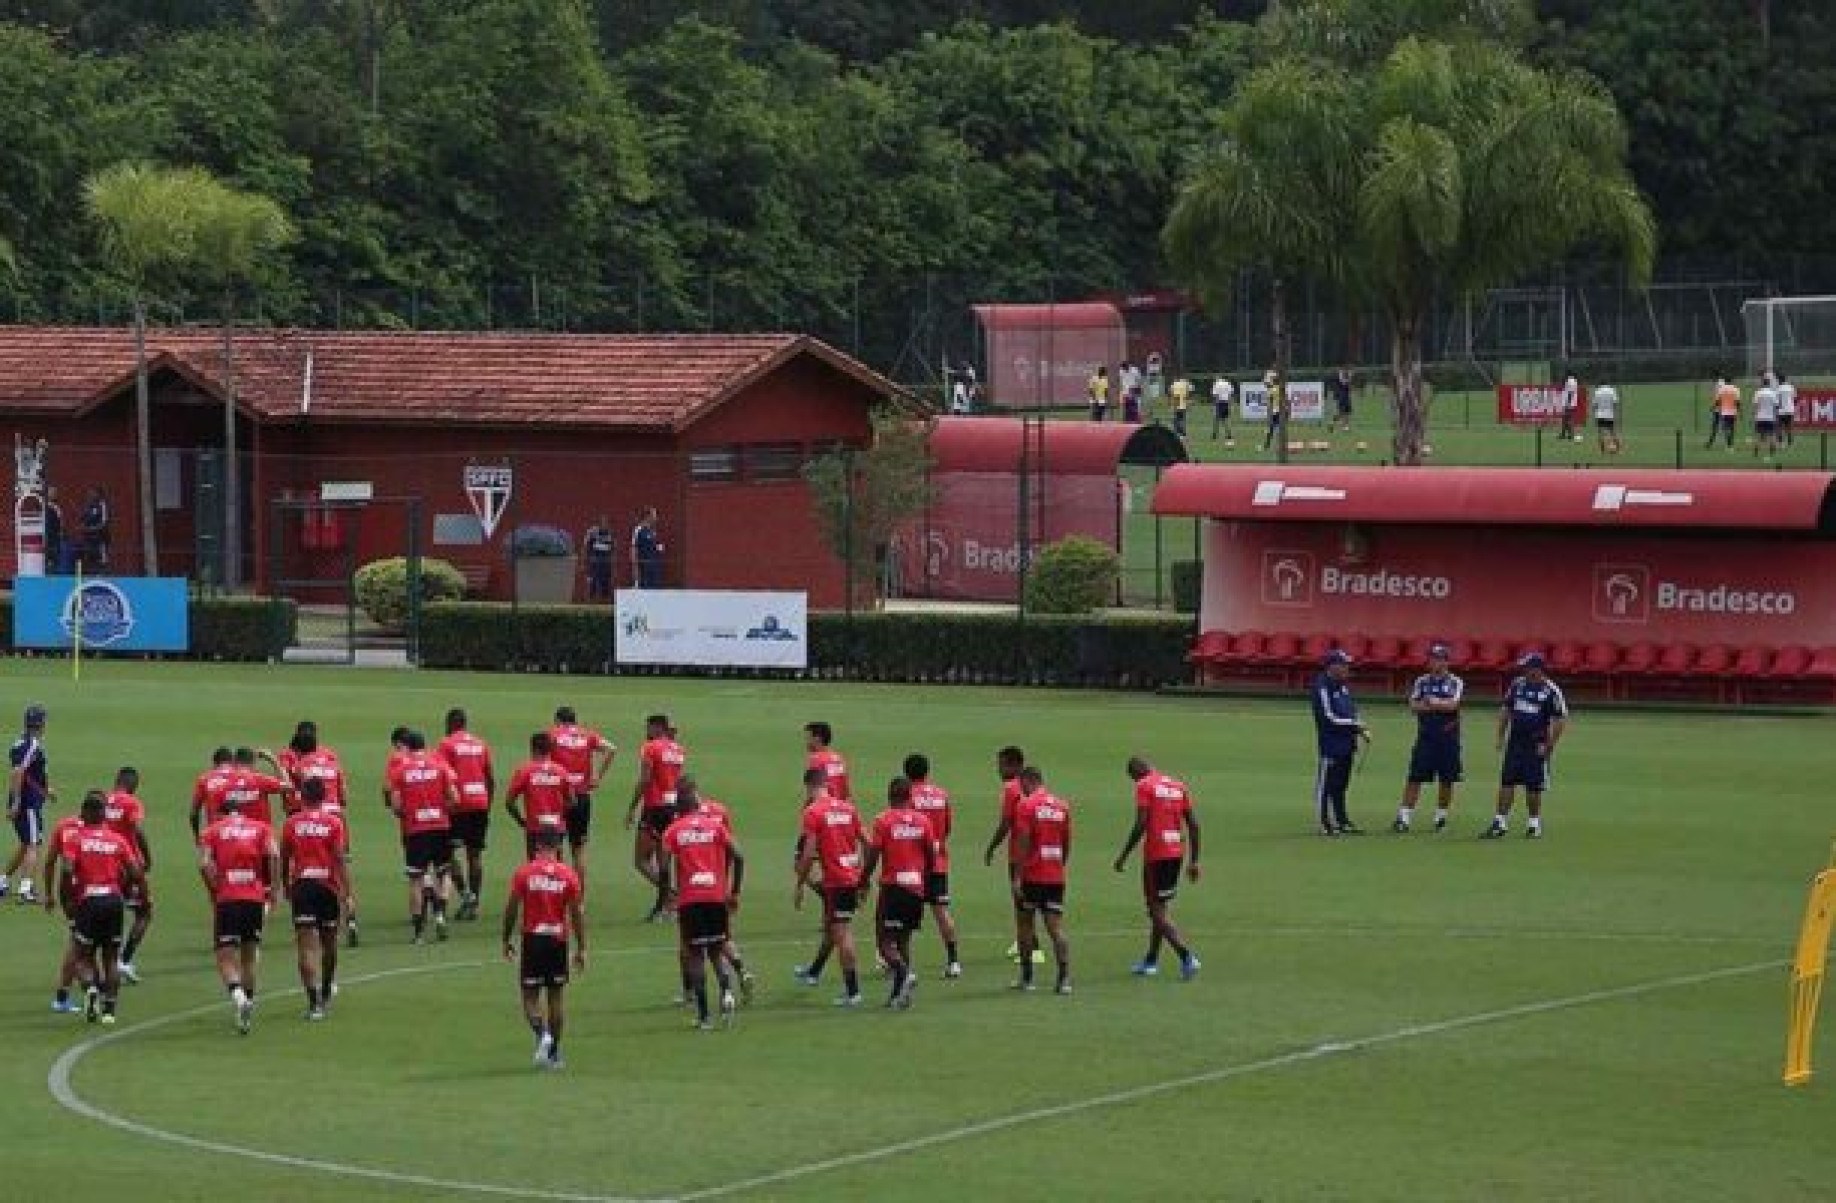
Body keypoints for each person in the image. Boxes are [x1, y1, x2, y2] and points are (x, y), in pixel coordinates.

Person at [50, 792, 144, 1025]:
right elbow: (136, 872)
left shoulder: (76, 840)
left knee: (83, 956)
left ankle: (91, 989)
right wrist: (132, 891)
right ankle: (109, 1011)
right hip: (113, 900)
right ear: (103, 816)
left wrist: (67, 901)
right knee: (111, 957)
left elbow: (67, 871)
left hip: (88, 901)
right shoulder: (117, 840)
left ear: (85, 813)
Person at [662, 782, 746, 1030]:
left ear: (680, 808)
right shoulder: (716, 827)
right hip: (716, 897)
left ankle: (704, 1016)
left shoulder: (673, 831)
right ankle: (728, 994)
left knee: (696, 957)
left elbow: (665, 866)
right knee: (717, 951)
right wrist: (735, 890)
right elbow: (739, 855)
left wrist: (667, 894)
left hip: (691, 900)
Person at [502, 832, 586, 1070]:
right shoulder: (568, 875)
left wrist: (506, 939)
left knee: (529, 996)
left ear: (537, 846)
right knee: (556, 997)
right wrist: (582, 947)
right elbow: (577, 913)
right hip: (558, 940)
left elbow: (511, 907)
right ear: (558, 846)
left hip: (533, 939)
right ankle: (555, 1053)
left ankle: (542, 1035)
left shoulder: (525, 873)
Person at [198, 789, 280, 1034]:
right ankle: (249, 1006)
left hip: (228, 897)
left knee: (225, 956)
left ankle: (238, 997)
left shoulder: (211, 831)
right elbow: (274, 855)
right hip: (254, 896)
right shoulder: (260, 828)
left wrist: (213, 888)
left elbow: (204, 864)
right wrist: (273, 889)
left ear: (221, 811)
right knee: (249, 954)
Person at [1113, 758, 1202, 980]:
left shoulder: (1144, 785)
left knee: (1156, 911)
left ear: (1137, 773)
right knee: (1161, 908)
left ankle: (1186, 956)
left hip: (1157, 855)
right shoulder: (1178, 786)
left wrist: (1124, 855)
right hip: (1176, 853)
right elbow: (1194, 824)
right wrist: (1194, 860)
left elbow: (1141, 823)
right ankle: (1151, 960)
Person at [674, 775, 755, 1004]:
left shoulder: (683, 817)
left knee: (690, 946)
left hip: (693, 888)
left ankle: (690, 992)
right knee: (720, 939)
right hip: (719, 882)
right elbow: (733, 848)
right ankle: (740, 970)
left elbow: (679, 855)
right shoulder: (719, 812)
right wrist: (731, 888)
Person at [860, 777, 937, 1010]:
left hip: (893, 887)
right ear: (909, 797)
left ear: (889, 796)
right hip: (915, 886)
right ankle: (898, 995)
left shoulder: (883, 820)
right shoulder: (923, 821)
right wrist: (925, 877)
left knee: (884, 942)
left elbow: (874, 853)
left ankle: (904, 973)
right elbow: (931, 855)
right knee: (904, 940)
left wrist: (863, 878)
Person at [792, 767, 866, 1005]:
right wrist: (863, 874)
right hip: (851, 877)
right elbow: (868, 842)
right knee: (834, 928)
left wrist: (800, 884)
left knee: (842, 934)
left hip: (836, 881)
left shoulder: (813, 812)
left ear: (809, 786)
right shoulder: (848, 808)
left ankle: (853, 992)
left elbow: (808, 853)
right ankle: (814, 972)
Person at [280, 777, 350, 1020]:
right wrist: (348, 892)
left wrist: (285, 885)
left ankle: (314, 1003)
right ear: (323, 797)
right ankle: (327, 988)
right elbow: (340, 858)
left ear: (302, 796)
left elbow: (284, 856)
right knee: (329, 943)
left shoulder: (291, 823)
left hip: (303, 886)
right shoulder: (334, 823)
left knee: (306, 945)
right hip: (327, 886)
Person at [1482, 652, 1569, 840]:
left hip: (1536, 743)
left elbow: (1560, 719)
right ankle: (1500, 822)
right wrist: (1500, 735)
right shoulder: (1517, 684)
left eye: (1528, 667)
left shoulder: (1551, 690)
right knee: (1507, 781)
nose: (1524, 670)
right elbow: (1506, 709)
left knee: (1533, 786)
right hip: (1515, 742)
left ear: (1537, 669)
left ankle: (1534, 824)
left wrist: (1550, 745)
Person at [386, 730, 460, 943]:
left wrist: (410, 812)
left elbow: (396, 806)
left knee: (416, 880)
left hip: (416, 830)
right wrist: (441, 810)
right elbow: (455, 798)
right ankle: (440, 914)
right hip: (440, 826)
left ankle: (418, 933)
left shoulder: (400, 771)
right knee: (443, 873)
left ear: (407, 748)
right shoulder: (440, 767)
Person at [1010, 766, 1072, 995]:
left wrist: (1017, 876)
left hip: (1032, 875)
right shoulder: (1062, 806)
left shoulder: (1026, 806)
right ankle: (1064, 979)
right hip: (1055, 874)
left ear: (1027, 781)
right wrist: (1059, 865)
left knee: (1025, 926)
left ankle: (1027, 979)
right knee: (1055, 928)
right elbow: (1066, 842)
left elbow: (1023, 841)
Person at [1394, 644, 1464, 833]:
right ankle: (1404, 817)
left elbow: (1453, 706)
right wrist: (1437, 705)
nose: (1435, 663)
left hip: (1448, 737)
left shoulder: (1455, 682)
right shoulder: (1422, 682)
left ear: (1446, 661)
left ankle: (1441, 817)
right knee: (1415, 776)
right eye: (1433, 659)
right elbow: (1413, 706)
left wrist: (1433, 702)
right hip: (1426, 736)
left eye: (1439, 659)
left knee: (1447, 779)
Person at [903, 754, 961, 978]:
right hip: (938, 862)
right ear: (927, 772)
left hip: (914, 864)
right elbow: (947, 828)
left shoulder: (908, 796)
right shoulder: (941, 794)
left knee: (906, 918)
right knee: (942, 913)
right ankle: (954, 961)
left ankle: (906, 967)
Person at [981, 744, 1039, 966]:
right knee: (1026, 901)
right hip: (1035, 852)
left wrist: (992, 846)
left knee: (1021, 902)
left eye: (1001, 765)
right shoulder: (1031, 786)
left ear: (1014, 765)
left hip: (1018, 853)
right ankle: (1022, 941)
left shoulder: (1012, 788)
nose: (998, 770)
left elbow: (1005, 823)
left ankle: (1032, 948)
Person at [436, 708, 495, 920]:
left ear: (451, 724)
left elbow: (444, 775)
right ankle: (475, 902)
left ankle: (466, 895)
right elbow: (490, 777)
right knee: (475, 854)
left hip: (458, 805)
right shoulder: (481, 744)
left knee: (448, 853)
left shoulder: (446, 744)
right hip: (480, 801)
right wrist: (487, 803)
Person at [627, 714, 686, 923]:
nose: (646, 730)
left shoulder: (650, 748)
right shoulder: (678, 750)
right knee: (663, 861)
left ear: (657, 727)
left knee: (641, 860)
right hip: (673, 808)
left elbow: (644, 780)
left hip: (654, 808)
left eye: (649, 727)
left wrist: (632, 807)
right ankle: (666, 905)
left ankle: (671, 897)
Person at [549, 706, 614, 890]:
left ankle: (557, 892)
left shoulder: (553, 735)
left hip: (559, 797)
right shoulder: (587, 735)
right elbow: (611, 749)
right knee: (578, 849)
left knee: (555, 847)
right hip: (582, 796)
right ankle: (579, 900)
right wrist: (597, 777)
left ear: (558, 720)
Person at [103, 767, 154, 983]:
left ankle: (106, 964)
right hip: (128, 866)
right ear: (133, 785)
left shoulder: (103, 800)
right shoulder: (131, 803)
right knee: (144, 912)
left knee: (109, 915)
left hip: (105, 863)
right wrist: (147, 857)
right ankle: (123, 961)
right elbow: (137, 830)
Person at [1311, 649, 1370, 836]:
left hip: (1346, 743)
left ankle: (1341, 820)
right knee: (1325, 784)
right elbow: (1327, 717)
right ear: (1332, 666)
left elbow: (1351, 709)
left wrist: (1359, 729)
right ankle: (1323, 823)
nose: (1347, 668)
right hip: (1331, 744)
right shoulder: (1322, 687)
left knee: (1341, 784)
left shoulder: (1343, 686)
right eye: (1343, 664)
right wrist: (1356, 725)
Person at [40, 807, 90, 1013]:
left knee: (80, 939)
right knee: (80, 943)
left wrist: (50, 894)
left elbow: (50, 861)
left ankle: (74, 991)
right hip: (89, 893)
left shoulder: (64, 825)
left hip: (67, 892)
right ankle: (73, 993)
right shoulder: (97, 829)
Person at [3, 704, 52, 904]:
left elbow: (30, 774)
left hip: (26, 798)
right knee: (33, 844)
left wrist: (46, 790)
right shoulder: (32, 745)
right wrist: (16, 802)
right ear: (39, 724)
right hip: (27, 803)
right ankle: (26, 888)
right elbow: (18, 772)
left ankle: (2, 881)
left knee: (25, 843)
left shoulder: (19, 743)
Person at [505, 732, 573, 853]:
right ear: (550, 749)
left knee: (535, 866)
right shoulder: (561, 771)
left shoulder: (525, 771)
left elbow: (509, 802)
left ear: (533, 748)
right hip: (557, 826)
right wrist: (560, 816)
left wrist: (521, 821)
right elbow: (572, 801)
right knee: (556, 864)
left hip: (534, 827)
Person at [224, 746, 295, 828]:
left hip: (235, 835)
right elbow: (289, 786)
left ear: (234, 761)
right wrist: (273, 760)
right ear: (252, 761)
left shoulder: (224, 782)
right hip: (260, 835)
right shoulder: (259, 779)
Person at [189, 746, 237, 838]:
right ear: (232, 762)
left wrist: (197, 836)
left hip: (215, 834)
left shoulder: (204, 779)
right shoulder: (243, 777)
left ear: (215, 762)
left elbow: (194, 813)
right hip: (242, 833)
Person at [803, 721, 851, 801]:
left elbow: (813, 790)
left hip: (824, 807)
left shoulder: (816, 759)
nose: (807, 742)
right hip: (839, 807)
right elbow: (845, 790)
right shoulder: (838, 759)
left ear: (817, 738)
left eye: (809, 738)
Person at [631, 507, 665, 589]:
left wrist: (659, 548)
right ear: (648, 517)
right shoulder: (638, 530)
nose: (656, 519)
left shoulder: (653, 532)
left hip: (655, 568)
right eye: (654, 516)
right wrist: (635, 569)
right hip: (644, 568)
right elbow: (634, 550)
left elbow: (654, 547)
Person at [583, 517, 616, 601]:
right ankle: (590, 602)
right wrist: (585, 561)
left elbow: (613, 549)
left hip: (606, 564)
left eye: (606, 523)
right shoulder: (592, 532)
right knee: (592, 584)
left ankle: (605, 603)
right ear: (599, 524)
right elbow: (585, 547)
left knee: (606, 585)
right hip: (594, 564)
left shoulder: (610, 534)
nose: (605, 525)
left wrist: (613, 565)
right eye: (603, 523)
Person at [79, 486, 110, 571]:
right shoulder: (88, 506)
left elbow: (104, 522)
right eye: (90, 493)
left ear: (98, 494)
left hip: (100, 537)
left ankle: (103, 571)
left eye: (93, 493)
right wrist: (83, 526)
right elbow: (83, 519)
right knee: (89, 558)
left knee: (101, 560)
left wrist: (93, 529)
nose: (91, 495)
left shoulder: (103, 505)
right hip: (89, 538)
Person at [1706, 376, 1739, 450]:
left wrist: (1713, 407)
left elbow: (1719, 400)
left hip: (1721, 410)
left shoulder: (1721, 386)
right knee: (1727, 427)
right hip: (1725, 410)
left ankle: (1713, 442)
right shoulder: (1729, 387)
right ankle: (1729, 443)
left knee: (1718, 427)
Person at [1754, 372, 1781, 460]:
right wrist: (1776, 416)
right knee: (1772, 436)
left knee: (1760, 436)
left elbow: (1756, 406)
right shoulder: (1773, 393)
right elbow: (1776, 406)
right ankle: (1771, 454)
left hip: (1760, 417)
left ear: (1762, 383)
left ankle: (1756, 453)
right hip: (1770, 417)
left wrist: (1755, 416)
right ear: (1769, 384)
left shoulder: (1758, 393)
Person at [1592, 380, 1622, 456]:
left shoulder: (1597, 392)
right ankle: (1618, 449)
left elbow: (1595, 405)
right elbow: (1615, 403)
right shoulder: (1612, 390)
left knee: (1601, 433)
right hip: (1610, 414)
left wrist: (1595, 414)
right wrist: (1615, 414)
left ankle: (1602, 451)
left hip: (1600, 415)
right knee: (1613, 432)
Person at [1261, 371, 1285, 453]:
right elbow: (1286, 400)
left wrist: (1269, 413)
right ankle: (1279, 446)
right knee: (1279, 429)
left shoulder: (1271, 390)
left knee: (1271, 429)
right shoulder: (1281, 389)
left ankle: (1267, 446)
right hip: (1281, 411)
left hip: (1274, 411)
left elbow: (1270, 403)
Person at [43, 487, 65, 575]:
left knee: (54, 556)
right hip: (46, 535)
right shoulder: (43, 506)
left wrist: (61, 533)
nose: (53, 495)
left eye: (54, 493)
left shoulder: (56, 508)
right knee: (46, 555)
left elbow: (61, 522)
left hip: (54, 536)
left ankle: (54, 573)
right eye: (51, 493)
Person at [1557, 371, 1581, 442]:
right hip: (1568, 403)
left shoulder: (1571, 381)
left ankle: (1570, 434)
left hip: (1569, 404)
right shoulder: (1572, 381)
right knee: (1565, 419)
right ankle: (1564, 434)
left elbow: (1570, 393)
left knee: (1567, 419)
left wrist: (1568, 404)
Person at [1211, 376, 1235, 442]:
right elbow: (1230, 394)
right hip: (1226, 402)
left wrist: (1214, 405)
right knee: (1226, 419)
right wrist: (1230, 404)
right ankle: (1229, 434)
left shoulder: (1216, 384)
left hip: (1219, 402)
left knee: (1216, 419)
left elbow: (1215, 395)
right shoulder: (1228, 383)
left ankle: (1215, 434)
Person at [1330, 368, 1354, 433]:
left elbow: (1349, 386)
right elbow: (1344, 383)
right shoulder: (1339, 378)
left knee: (1347, 412)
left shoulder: (1345, 377)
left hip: (1346, 397)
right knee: (1341, 413)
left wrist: (1350, 378)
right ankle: (1332, 424)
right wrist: (1350, 377)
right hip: (1342, 397)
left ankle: (1345, 427)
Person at [1778, 373, 1798, 446]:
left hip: (1781, 410)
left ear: (1779, 380)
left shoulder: (1778, 388)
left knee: (1779, 426)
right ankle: (1789, 441)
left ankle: (1780, 441)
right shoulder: (1791, 387)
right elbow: (1795, 399)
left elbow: (1777, 400)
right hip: (1790, 409)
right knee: (1789, 426)